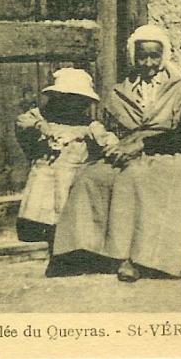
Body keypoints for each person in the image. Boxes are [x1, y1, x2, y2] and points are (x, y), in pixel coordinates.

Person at [48, 25, 181, 282]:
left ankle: (137, 258)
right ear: (133, 56)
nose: (148, 63)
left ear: (164, 56)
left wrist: (143, 146)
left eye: (154, 56)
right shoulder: (121, 90)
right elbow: (109, 129)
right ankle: (85, 250)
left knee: (136, 177)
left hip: (167, 153)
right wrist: (115, 146)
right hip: (127, 150)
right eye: (143, 56)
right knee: (91, 177)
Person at [15, 68, 116, 251]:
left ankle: (67, 241)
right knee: (42, 201)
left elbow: (107, 140)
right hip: (46, 171)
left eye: (79, 102)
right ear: (55, 98)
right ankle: (42, 234)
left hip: (71, 174)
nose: (71, 106)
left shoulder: (87, 125)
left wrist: (108, 143)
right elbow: (23, 122)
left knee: (68, 203)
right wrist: (40, 126)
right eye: (65, 99)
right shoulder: (43, 118)